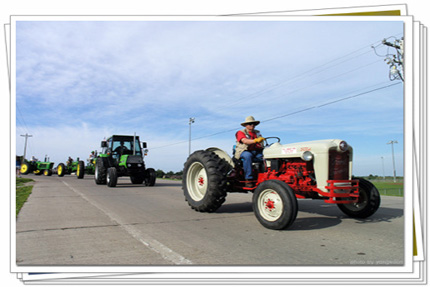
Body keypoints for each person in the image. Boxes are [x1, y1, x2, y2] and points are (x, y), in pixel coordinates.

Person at [235, 116, 265, 187]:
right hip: (243, 151)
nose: (252, 125)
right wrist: (255, 140)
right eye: (250, 124)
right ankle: (248, 179)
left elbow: (261, 143)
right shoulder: (240, 132)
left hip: (256, 151)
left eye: (253, 124)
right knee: (248, 156)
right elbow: (244, 141)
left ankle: (264, 176)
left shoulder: (257, 133)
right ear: (246, 125)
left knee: (265, 157)